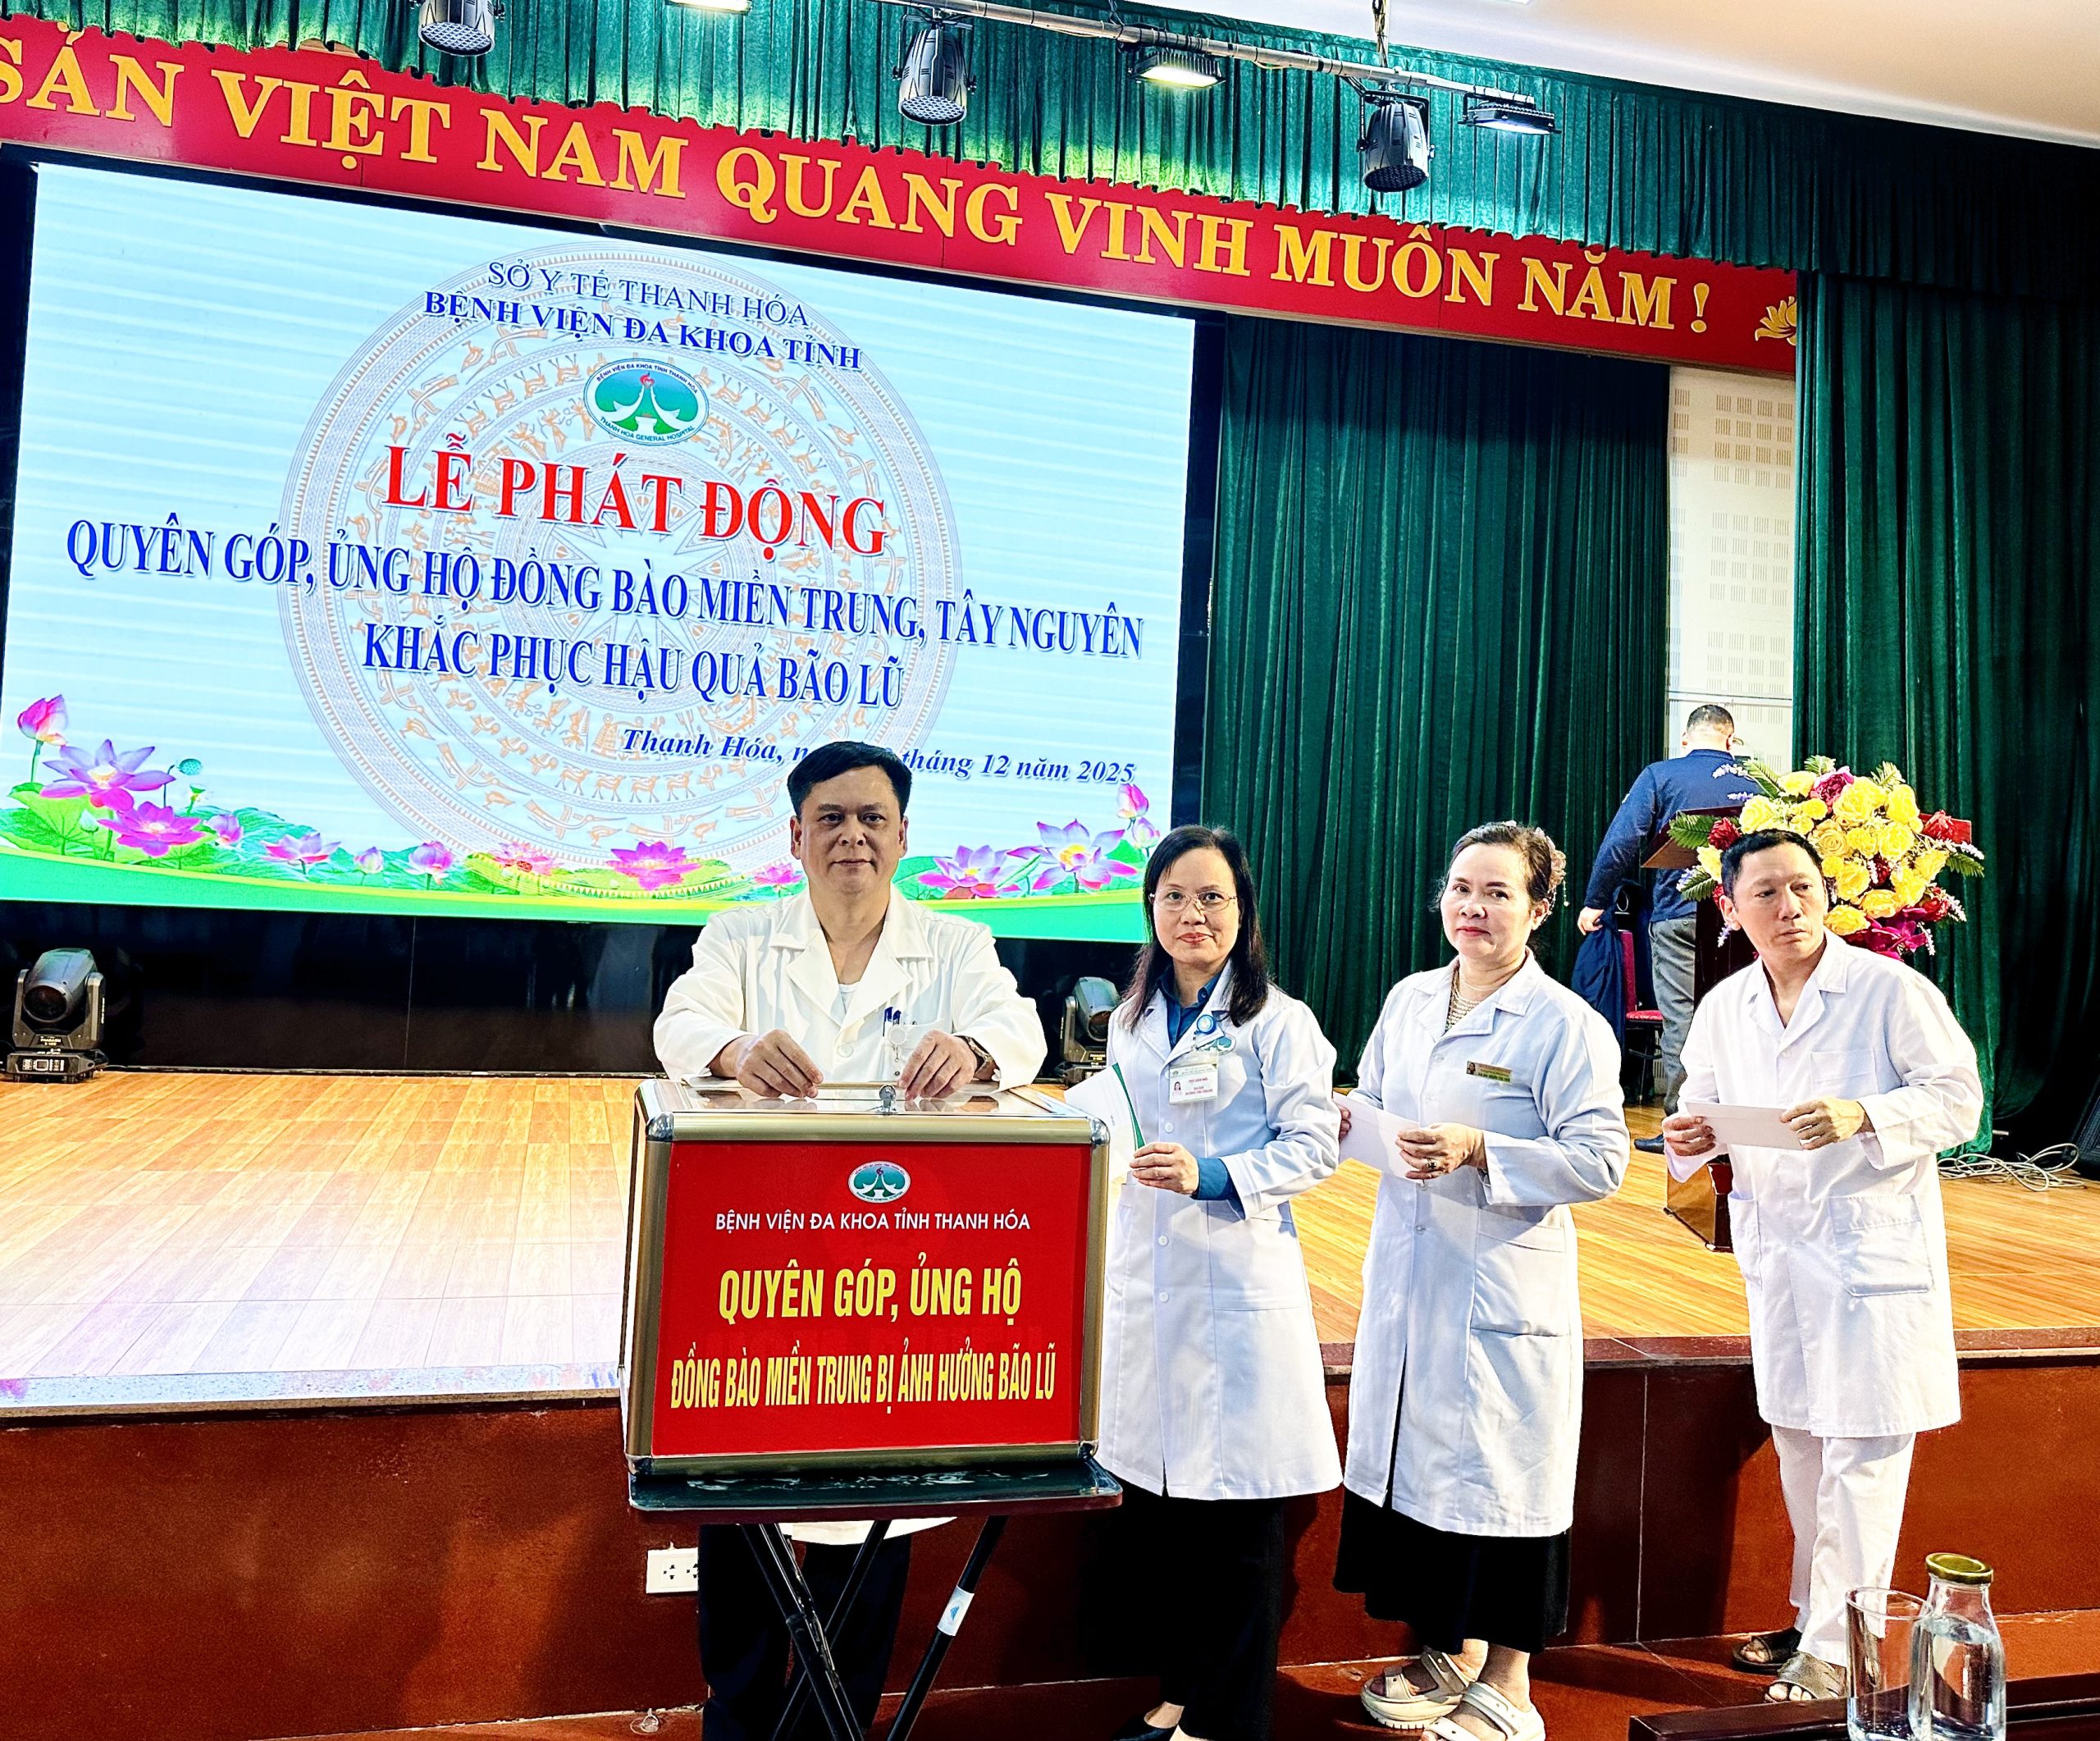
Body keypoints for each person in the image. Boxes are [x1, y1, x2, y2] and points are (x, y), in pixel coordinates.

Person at [653, 738, 1048, 1741]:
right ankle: (736, 1719)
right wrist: (734, 1048)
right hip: (758, 1264)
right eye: (830, 818)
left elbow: (1022, 1033)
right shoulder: (741, 936)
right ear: (795, 836)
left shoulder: (956, 944)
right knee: (741, 1499)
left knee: (873, 1507)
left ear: (904, 836)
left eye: (873, 818)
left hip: (891, 1273)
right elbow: (679, 1023)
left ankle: (834, 1727)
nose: (853, 837)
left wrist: (975, 1049)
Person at [1662, 828, 1981, 1703]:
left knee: (1863, 1449)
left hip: (1868, 1255)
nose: (1788, 906)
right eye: (1764, 892)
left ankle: (1844, 1645)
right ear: (1730, 908)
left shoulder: (1886, 989)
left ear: (1827, 894)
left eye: (1802, 887)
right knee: (1800, 1439)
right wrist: (1691, 1131)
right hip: (1780, 1254)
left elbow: (1959, 1099)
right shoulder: (1727, 1006)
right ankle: (1813, 1619)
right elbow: (1698, 1104)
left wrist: (1863, 1114)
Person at [1338, 823, 1628, 1741]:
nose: (1473, 907)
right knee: (1426, 1475)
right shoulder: (1411, 999)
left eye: (1499, 892)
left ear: (1539, 910)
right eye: (1462, 888)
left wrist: (1480, 1149)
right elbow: (1374, 1096)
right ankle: (1451, 1650)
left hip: (1499, 1288)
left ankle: (1510, 1685)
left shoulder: (1565, 1024)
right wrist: (1349, 1116)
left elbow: (1602, 1159)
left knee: (1502, 1481)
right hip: (1411, 1275)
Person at [1095, 826, 1341, 1741]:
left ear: (1242, 912)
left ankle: (1229, 1719)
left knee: (1238, 1529)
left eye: (1212, 898)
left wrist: (1213, 1174)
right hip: (1147, 1284)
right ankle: (1180, 1693)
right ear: (1150, 909)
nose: (1192, 915)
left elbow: (1313, 1145)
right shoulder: (1129, 1020)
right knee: (1164, 1519)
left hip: (1237, 1287)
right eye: (1174, 897)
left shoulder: (1278, 1020)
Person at [1577, 704, 1764, 1147]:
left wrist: (1596, 900)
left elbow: (1623, 840)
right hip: (1743, 919)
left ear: (1685, 740)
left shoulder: (1661, 776)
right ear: (1731, 740)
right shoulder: (1757, 782)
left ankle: (1685, 1126)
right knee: (1746, 1015)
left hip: (1678, 915)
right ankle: (1744, 1120)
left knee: (1683, 1018)